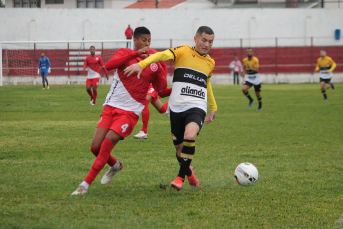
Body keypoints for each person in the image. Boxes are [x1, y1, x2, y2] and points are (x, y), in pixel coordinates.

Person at [71, 27, 169, 195]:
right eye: (144, 40)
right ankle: (116, 165)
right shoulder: (125, 53)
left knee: (105, 147)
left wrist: (160, 66)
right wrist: (135, 55)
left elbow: (160, 88)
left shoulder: (153, 61)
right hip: (111, 107)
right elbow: (109, 66)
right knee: (95, 148)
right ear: (135, 40)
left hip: (130, 112)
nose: (147, 44)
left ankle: (84, 185)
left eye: (149, 41)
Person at [124, 26, 217, 191]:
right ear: (195, 39)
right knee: (179, 149)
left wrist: (213, 107)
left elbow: (206, 84)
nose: (207, 44)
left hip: (197, 106)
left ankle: (180, 178)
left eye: (210, 42)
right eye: (204, 40)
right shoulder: (182, 51)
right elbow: (161, 55)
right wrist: (143, 64)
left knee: (190, 135)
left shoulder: (210, 62)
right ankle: (190, 174)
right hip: (177, 106)